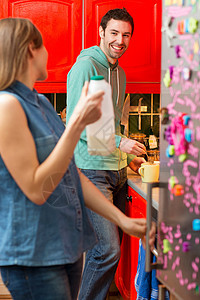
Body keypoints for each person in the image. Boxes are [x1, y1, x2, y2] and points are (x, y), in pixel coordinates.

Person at [0, 18, 155, 300]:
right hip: (32, 253)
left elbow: (69, 172)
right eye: (44, 45)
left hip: (61, 247)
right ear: (30, 51)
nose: (49, 52)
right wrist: (77, 124)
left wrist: (123, 220)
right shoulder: (7, 105)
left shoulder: (40, 102)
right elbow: (37, 189)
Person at [66, 7, 147, 300]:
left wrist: (126, 156)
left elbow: (106, 124)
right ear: (101, 33)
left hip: (116, 172)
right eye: (114, 33)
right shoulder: (86, 66)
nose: (120, 40)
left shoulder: (120, 73)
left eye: (126, 35)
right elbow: (78, 120)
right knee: (106, 250)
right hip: (91, 171)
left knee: (112, 251)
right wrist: (121, 143)